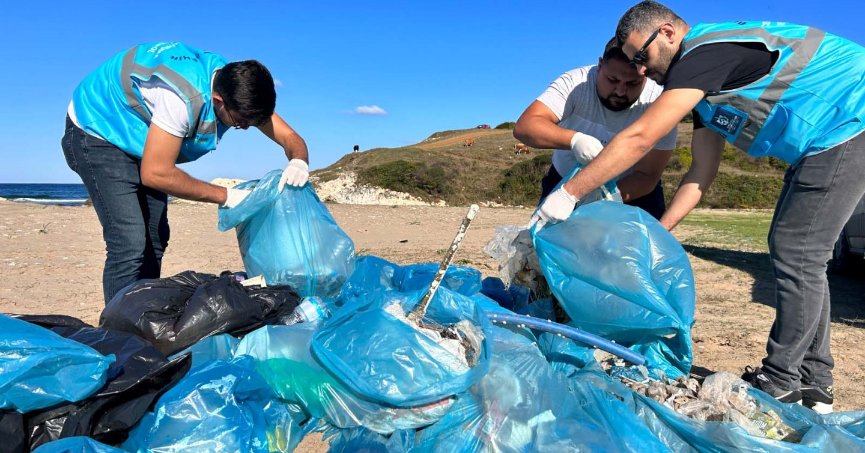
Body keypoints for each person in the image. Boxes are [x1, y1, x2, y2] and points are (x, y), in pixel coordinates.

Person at [531, 1, 865, 413]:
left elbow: (639, 139)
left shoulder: (703, 54)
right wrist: (660, 228)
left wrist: (568, 194)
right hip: (827, 140)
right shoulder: (705, 88)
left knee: (798, 251)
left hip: (851, 122)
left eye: (642, 57)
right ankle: (813, 383)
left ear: (668, 33)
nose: (640, 70)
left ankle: (782, 380)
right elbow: (700, 175)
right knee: (801, 254)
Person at [62, 42, 311, 303]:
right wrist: (227, 196)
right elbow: (156, 173)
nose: (246, 128)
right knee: (129, 242)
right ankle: (118, 332)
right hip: (97, 128)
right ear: (218, 102)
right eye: (240, 122)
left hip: (139, 135)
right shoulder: (180, 98)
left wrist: (298, 161)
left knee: (156, 237)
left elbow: (289, 136)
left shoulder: (239, 87)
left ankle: (140, 313)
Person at [515, 37, 677, 220]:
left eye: (633, 83)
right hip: (564, 179)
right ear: (600, 65)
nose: (620, 91)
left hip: (633, 190)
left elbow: (648, 175)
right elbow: (525, 126)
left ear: (645, 75)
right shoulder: (574, 82)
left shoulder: (660, 101)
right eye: (612, 79)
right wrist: (574, 140)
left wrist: (600, 198)